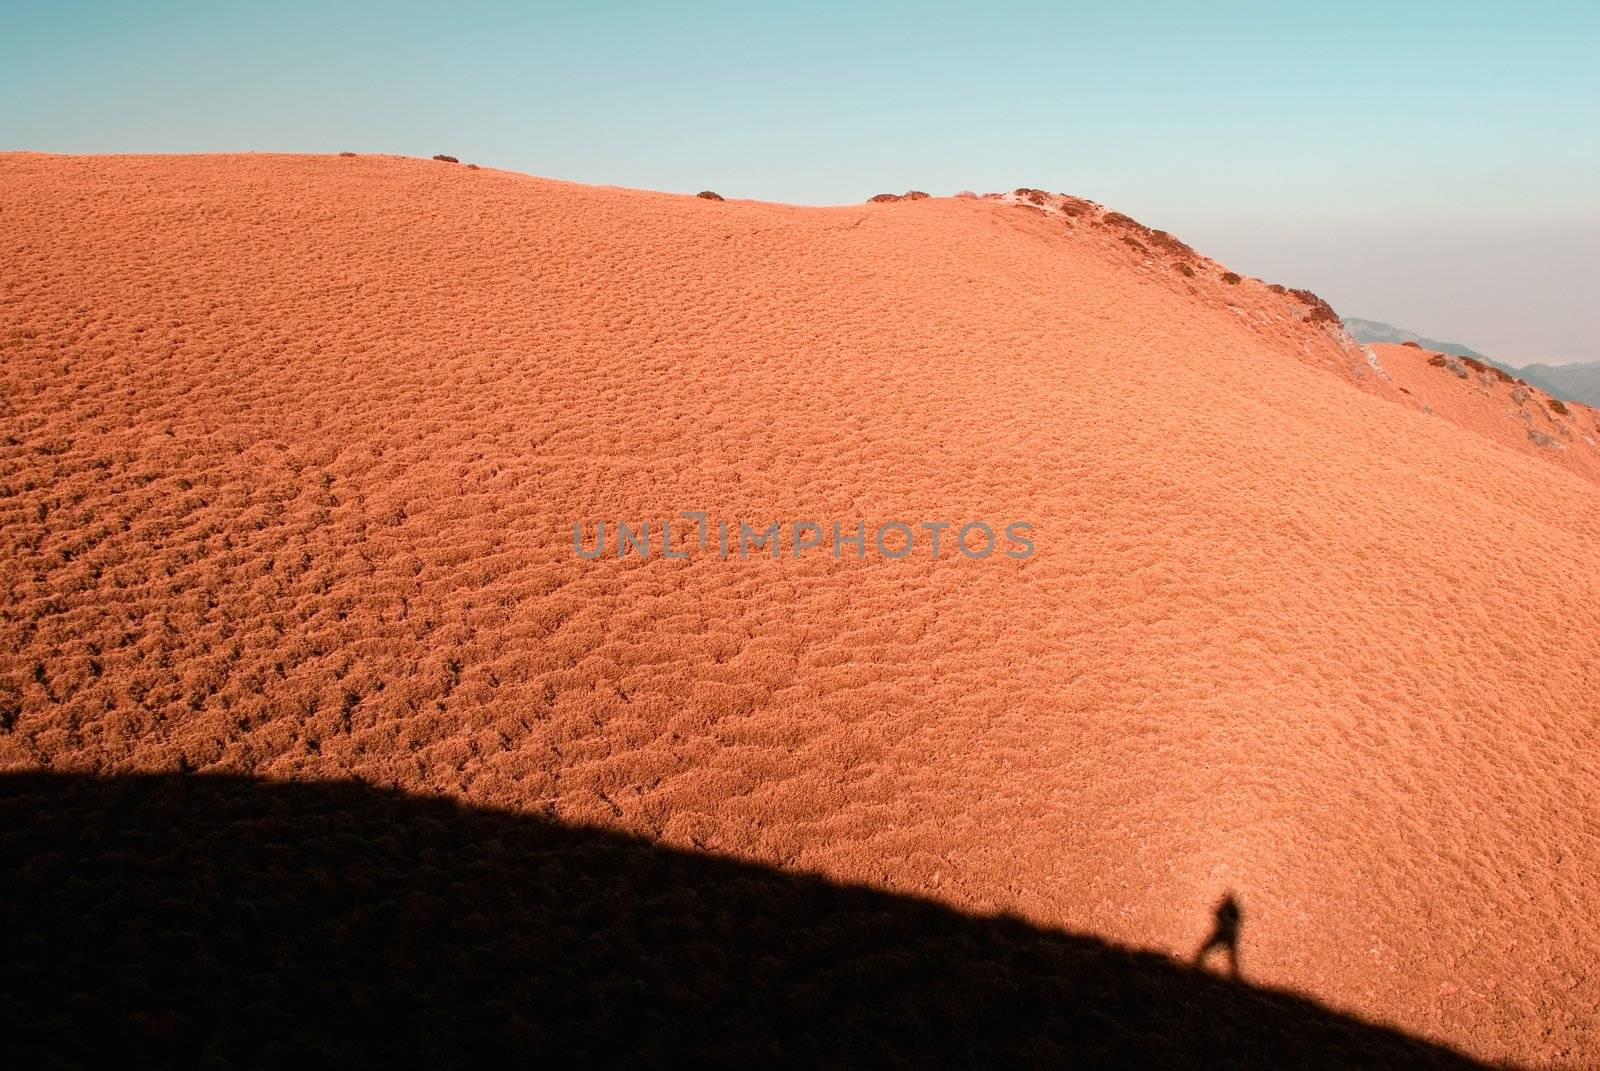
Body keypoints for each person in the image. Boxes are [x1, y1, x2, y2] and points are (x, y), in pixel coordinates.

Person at [1194, 893, 1242, 978]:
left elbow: (1219, 915)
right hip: (1228, 933)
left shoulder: (1229, 910)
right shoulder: (1233, 910)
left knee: (1230, 955)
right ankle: (1235, 974)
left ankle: (1198, 961)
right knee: (1231, 955)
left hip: (1223, 932)